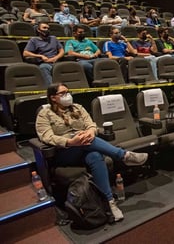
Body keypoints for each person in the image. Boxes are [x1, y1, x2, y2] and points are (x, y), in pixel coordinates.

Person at [36, 83, 148, 222]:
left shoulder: (78, 108)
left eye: (68, 92)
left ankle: (110, 203)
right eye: (63, 93)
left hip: (84, 147)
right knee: (86, 142)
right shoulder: (44, 114)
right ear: (53, 97)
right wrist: (70, 142)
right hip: (65, 152)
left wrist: (89, 132)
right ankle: (123, 155)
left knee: (95, 155)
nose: (68, 95)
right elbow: (47, 136)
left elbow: (91, 124)